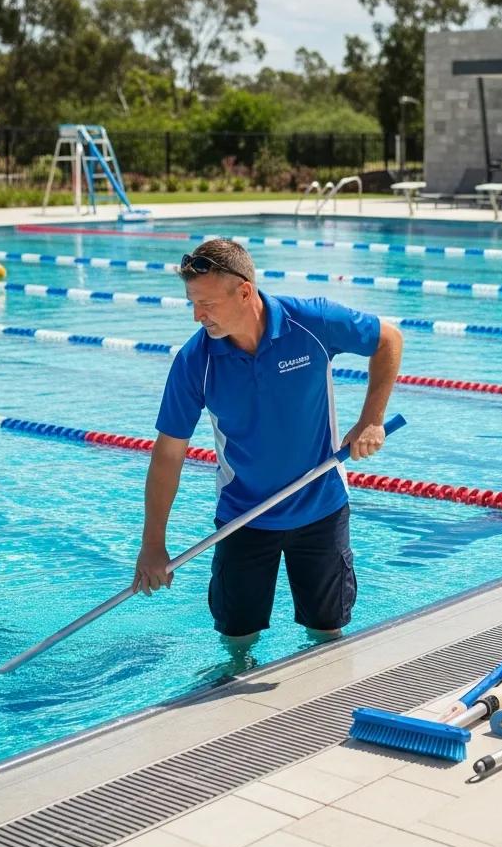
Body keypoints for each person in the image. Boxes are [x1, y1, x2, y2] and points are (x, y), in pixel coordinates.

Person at [132, 238, 403, 652]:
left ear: (244, 291)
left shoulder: (309, 322)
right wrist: (153, 544)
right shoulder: (196, 361)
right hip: (244, 517)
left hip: (321, 508)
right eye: (192, 302)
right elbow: (169, 454)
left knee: (326, 633)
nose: (196, 315)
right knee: (236, 639)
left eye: (206, 303)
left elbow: (388, 339)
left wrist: (371, 420)